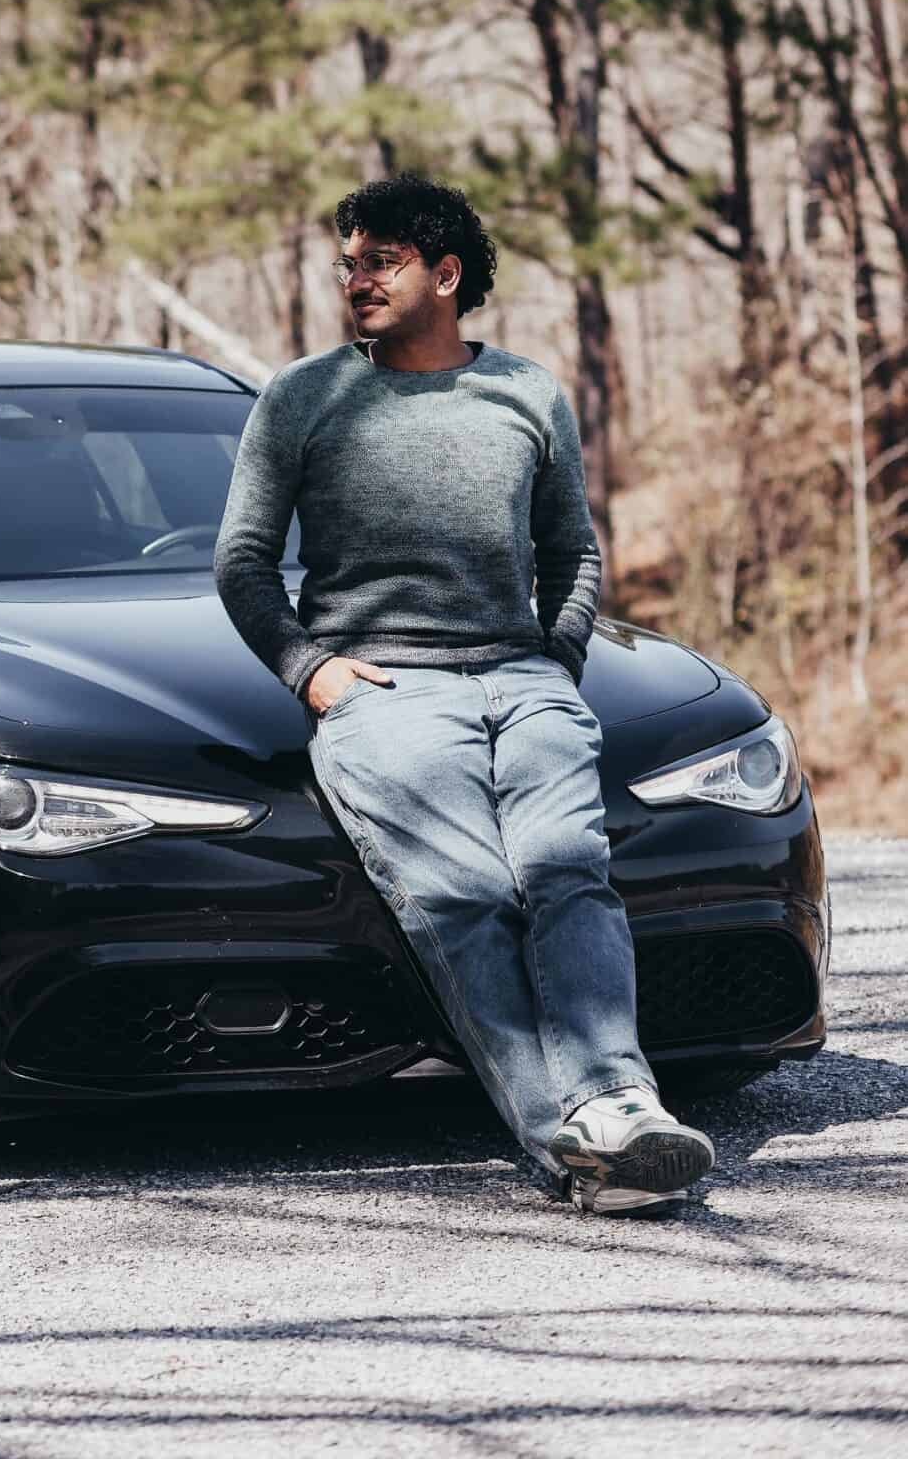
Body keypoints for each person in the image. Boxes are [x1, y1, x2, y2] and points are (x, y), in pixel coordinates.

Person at [214, 171, 715, 1215]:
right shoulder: (303, 397)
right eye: (349, 260)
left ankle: (619, 1103)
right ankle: (573, 1140)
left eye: (380, 259)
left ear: (446, 273)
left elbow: (573, 550)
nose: (356, 278)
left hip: (521, 682)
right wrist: (317, 672)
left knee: (567, 876)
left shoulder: (527, 393)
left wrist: (554, 659)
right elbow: (244, 563)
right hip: (385, 693)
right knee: (467, 900)